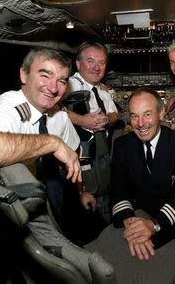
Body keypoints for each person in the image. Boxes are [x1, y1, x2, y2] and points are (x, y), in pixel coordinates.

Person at [0, 47, 99, 244]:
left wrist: (82, 192)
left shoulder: (60, 119)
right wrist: (51, 143)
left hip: (36, 194)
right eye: (45, 75)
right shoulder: (8, 109)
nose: (53, 87)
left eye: (61, 80)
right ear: (23, 74)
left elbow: (72, 158)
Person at [110, 87, 175, 261]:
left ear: (161, 113)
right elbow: (117, 191)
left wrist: (154, 225)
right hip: (137, 219)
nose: (141, 123)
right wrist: (131, 225)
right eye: (135, 116)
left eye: (147, 114)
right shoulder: (122, 145)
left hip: (171, 226)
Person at [64, 41, 119, 221]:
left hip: (103, 156)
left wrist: (106, 120)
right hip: (83, 161)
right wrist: (82, 120)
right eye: (90, 61)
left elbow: (114, 113)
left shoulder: (101, 90)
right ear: (78, 64)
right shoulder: (68, 85)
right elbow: (52, 108)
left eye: (101, 63)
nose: (97, 67)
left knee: (106, 203)